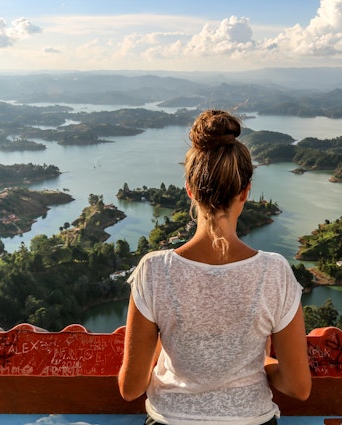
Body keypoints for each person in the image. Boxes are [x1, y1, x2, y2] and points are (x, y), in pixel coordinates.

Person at [118, 109, 311, 425]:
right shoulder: (274, 273)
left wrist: (162, 353)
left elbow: (131, 388)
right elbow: (298, 387)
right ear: (246, 192)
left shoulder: (154, 271)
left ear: (190, 191)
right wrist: (261, 362)